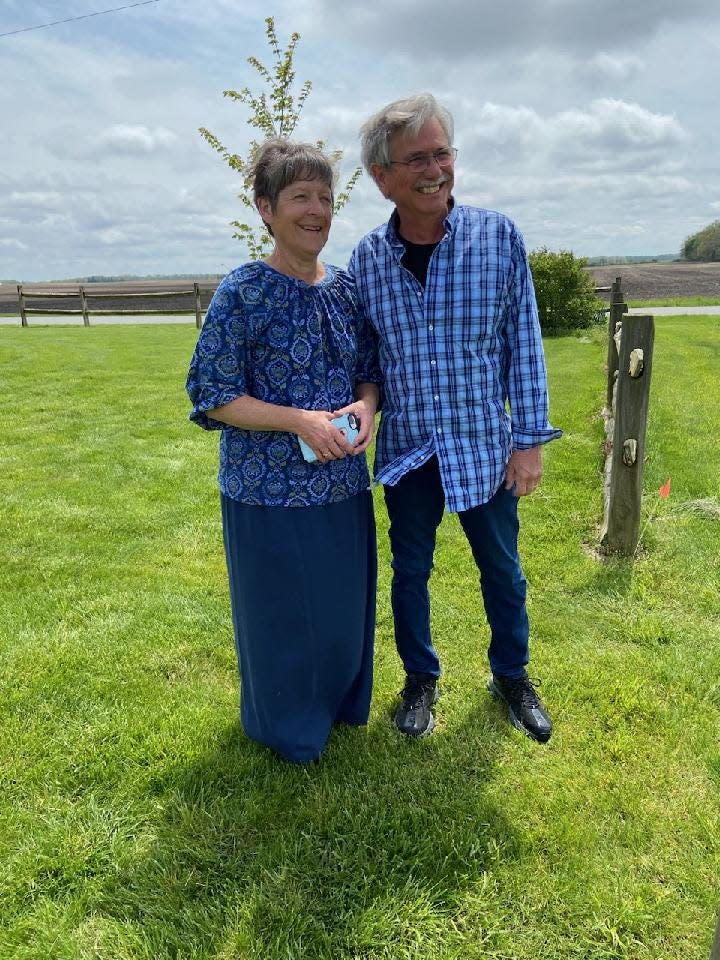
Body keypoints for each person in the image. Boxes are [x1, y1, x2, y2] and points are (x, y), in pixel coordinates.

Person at [349, 94, 561, 743]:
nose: (435, 168)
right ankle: (420, 679)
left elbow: (523, 343)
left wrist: (528, 441)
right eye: (417, 158)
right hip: (411, 449)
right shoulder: (367, 262)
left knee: (502, 568)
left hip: (484, 445)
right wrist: (359, 408)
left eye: (442, 153)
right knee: (410, 572)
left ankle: (512, 675)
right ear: (384, 177)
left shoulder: (498, 239)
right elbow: (370, 362)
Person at [186, 139, 381, 764]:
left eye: (325, 198)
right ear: (266, 208)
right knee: (282, 616)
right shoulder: (242, 292)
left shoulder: (347, 290)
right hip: (264, 493)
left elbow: (368, 371)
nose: (316, 210)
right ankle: (288, 725)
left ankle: (342, 704)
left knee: (341, 607)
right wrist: (297, 421)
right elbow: (212, 394)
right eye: (300, 197)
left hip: (341, 486)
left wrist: (366, 408)